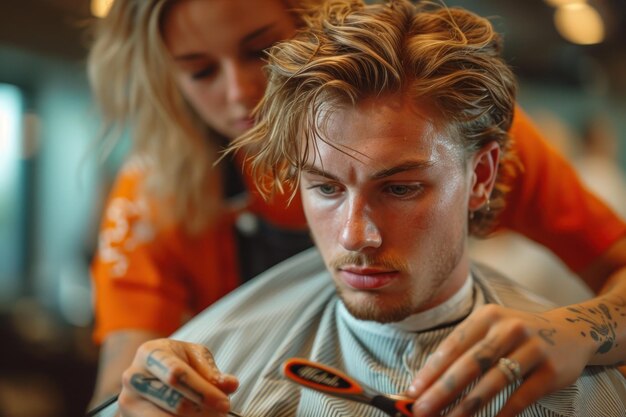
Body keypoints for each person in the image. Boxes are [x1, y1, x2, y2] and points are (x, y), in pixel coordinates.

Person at [93, 1, 626, 416]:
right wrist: (145, 393)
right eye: (200, 71)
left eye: (260, 51)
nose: (240, 94)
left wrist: (574, 333)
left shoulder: (455, 128)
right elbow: (125, 371)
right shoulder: (157, 190)